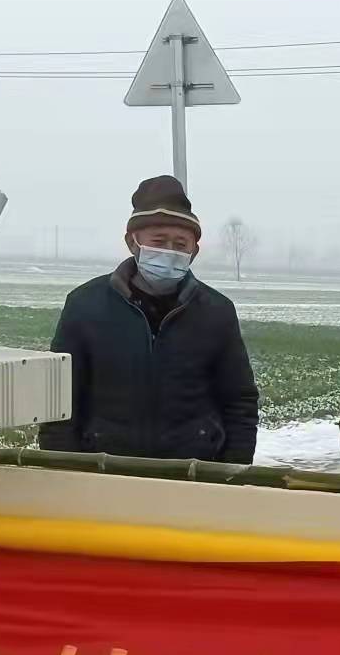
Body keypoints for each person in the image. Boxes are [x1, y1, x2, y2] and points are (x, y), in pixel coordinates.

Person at [39, 175, 258, 463]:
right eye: (159, 241)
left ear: (194, 251)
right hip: (105, 471)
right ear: (133, 242)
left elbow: (239, 401)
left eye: (181, 244)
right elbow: (59, 400)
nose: (169, 252)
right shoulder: (85, 304)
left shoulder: (217, 311)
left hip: (193, 474)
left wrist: (231, 472)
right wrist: (63, 469)